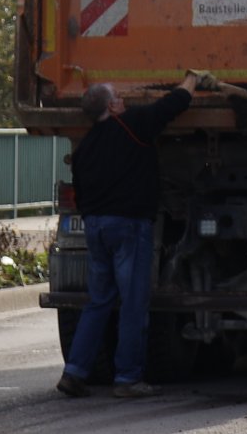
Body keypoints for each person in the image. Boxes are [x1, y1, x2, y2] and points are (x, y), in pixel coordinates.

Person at [57, 69, 212, 399]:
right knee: (133, 305)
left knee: (98, 302)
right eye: (119, 97)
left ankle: (74, 372)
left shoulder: (85, 148)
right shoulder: (134, 126)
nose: (124, 100)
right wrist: (192, 79)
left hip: (97, 229)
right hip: (129, 228)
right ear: (112, 107)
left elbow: (82, 194)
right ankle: (128, 378)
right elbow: (174, 104)